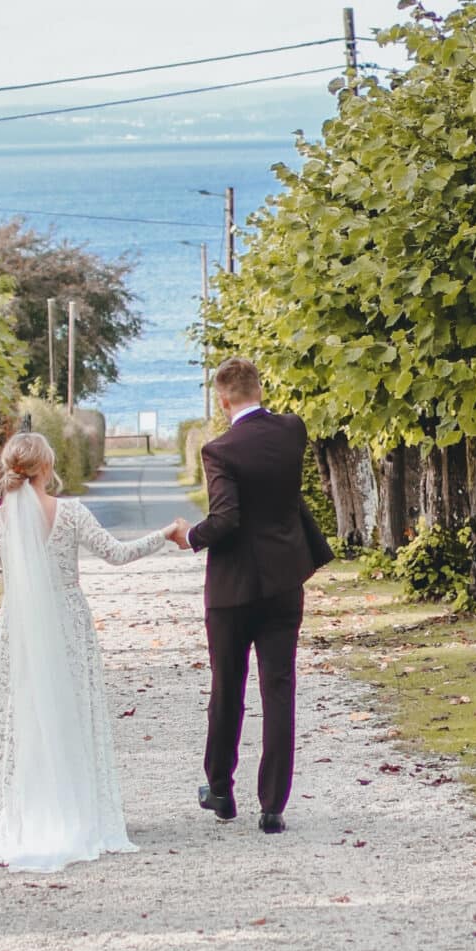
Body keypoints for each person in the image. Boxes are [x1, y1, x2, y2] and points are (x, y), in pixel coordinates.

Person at [0, 430, 182, 872]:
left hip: (18, 625)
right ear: (46, 467)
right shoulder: (71, 513)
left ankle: (25, 809)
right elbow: (117, 554)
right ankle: (75, 808)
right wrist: (166, 533)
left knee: (23, 715)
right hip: (68, 622)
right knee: (71, 711)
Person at [169, 356, 332, 833]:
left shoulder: (219, 451)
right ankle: (273, 805)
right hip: (284, 581)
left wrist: (189, 536)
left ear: (222, 401)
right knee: (278, 689)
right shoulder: (292, 430)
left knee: (228, 687)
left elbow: (226, 519)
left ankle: (221, 790)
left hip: (233, 589)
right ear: (260, 388)